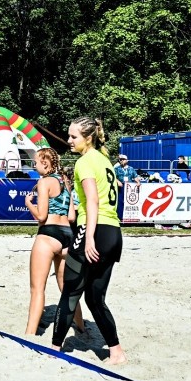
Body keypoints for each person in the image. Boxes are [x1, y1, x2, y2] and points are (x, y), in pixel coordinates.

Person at [51, 117, 127, 365]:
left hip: (94, 230)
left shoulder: (85, 162)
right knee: (95, 298)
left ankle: (54, 348)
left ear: (88, 137)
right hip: (114, 233)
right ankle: (116, 351)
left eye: (73, 136)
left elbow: (92, 201)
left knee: (70, 291)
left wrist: (89, 237)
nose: (69, 140)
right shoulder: (105, 161)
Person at [24, 148, 85, 335]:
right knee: (67, 289)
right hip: (67, 235)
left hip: (49, 234)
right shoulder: (65, 182)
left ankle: (30, 334)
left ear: (45, 162)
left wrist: (29, 204)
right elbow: (72, 216)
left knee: (37, 289)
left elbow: (42, 216)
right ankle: (82, 328)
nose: (34, 166)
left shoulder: (44, 182)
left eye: (36, 162)